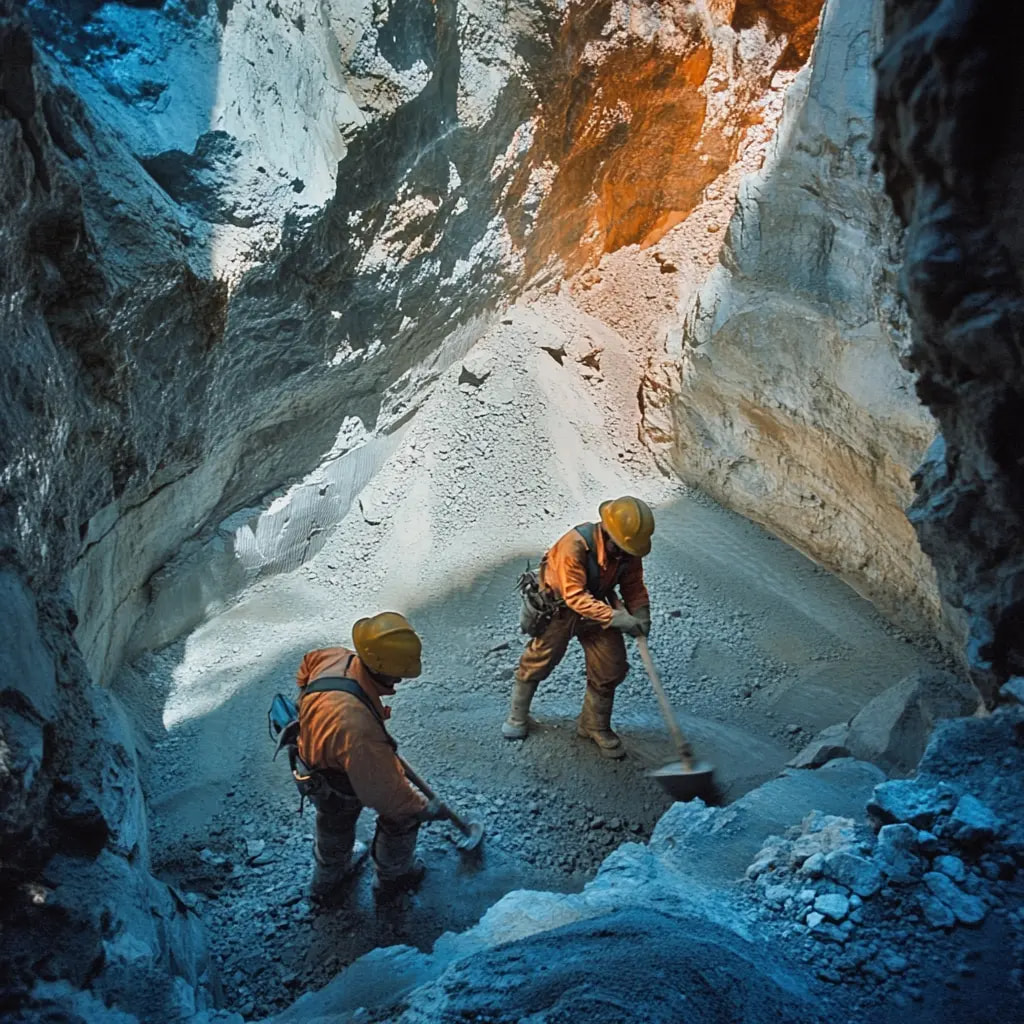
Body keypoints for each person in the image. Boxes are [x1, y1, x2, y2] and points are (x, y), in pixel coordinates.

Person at [295, 612, 443, 903]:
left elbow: (304, 670)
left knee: (332, 823)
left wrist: (315, 715)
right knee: (401, 819)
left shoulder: (334, 657)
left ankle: (326, 882)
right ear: (381, 667)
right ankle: (393, 878)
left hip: (311, 761)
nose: (400, 678)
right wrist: (422, 808)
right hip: (337, 779)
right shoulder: (359, 731)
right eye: (397, 673)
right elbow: (387, 795)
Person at [502, 496, 655, 759]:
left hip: (597, 609)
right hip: (558, 610)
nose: (626, 554)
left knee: (611, 666)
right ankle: (517, 717)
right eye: (621, 548)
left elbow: (633, 586)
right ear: (606, 532)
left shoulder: (627, 549)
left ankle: (593, 725)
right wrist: (619, 619)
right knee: (538, 661)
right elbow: (574, 596)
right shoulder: (574, 546)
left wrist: (641, 615)